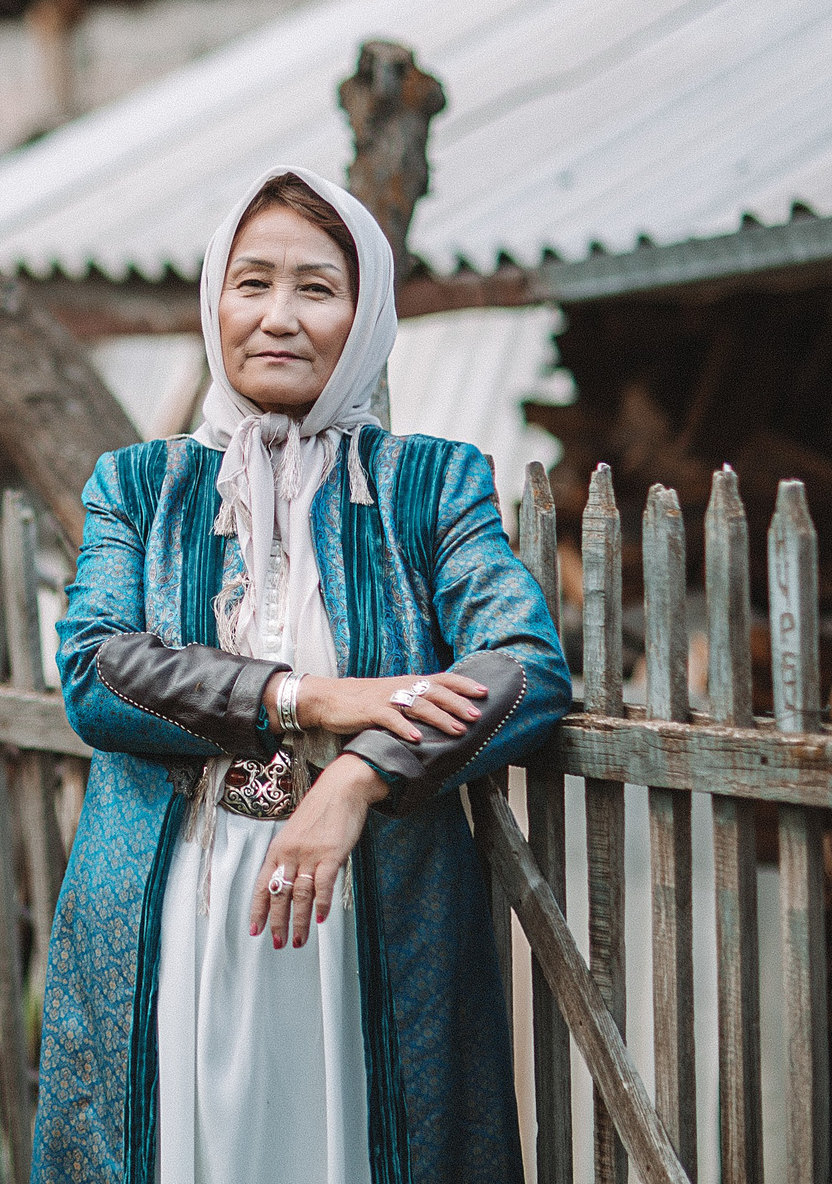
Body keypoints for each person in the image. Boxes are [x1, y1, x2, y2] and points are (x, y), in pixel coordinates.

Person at [31, 166, 571, 1184]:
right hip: (169, 917)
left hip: (366, 911)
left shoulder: (429, 485)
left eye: (318, 288)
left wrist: (356, 780)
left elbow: (524, 666)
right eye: (251, 283)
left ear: (365, 315)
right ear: (212, 303)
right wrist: (307, 697)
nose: (278, 317)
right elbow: (96, 672)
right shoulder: (140, 489)